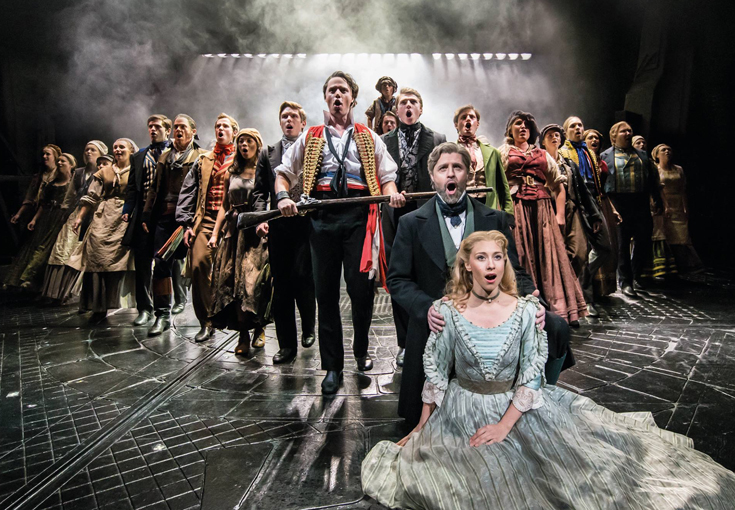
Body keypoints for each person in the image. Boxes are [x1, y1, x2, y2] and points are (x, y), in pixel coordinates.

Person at [363, 230, 735, 510]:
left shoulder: (526, 311)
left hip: (516, 409)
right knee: (459, 481)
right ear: (467, 265)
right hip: (461, 410)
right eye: (482, 258)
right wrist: (421, 427)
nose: (491, 265)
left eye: (497, 258)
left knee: (560, 476)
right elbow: (437, 376)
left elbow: (530, 377)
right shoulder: (447, 311)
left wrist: (503, 426)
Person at [387, 142, 573, 429]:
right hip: (438, 315)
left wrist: (533, 299)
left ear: (468, 174)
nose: (451, 173)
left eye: (458, 167)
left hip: (489, 310)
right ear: (433, 177)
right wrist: (426, 308)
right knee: (421, 421)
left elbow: (514, 269)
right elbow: (398, 279)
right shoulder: (411, 223)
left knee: (556, 326)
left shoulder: (493, 218)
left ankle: (534, 399)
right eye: (443, 168)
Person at [274, 71, 404, 394]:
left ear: (352, 99)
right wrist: (283, 197)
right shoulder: (311, 136)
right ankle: (332, 366)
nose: (336, 95)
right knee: (326, 293)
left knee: (361, 291)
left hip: (359, 217)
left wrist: (391, 194)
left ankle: (361, 350)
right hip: (321, 219)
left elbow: (387, 175)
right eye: (331, 90)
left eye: (342, 90)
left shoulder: (367, 135)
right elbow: (284, 173)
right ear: (326, 97)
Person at [498, 111, 587, 323]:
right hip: (517, 207)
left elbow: (557, 185)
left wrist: (560, 215)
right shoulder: (502, 152)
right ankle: (524, 309)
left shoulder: (542, 154)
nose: (522, 127)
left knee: (549, 255)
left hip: (542, 209)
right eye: (518, 123)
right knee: (520, 253)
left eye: (526, 124)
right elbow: (497, 185)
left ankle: (559, 309)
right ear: (510, 129)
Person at [382, 87, 446, 366]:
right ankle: (406, 342)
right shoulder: (383, 141)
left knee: (431, 276)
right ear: (396, 110)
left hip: (427, 214)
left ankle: (435, 338)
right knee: (400, 278)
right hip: (396, 216)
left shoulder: (438, 139)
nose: (408, 106)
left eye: (413, 102)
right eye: (403, 102)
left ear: (420, 108)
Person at [252, 101, 316, 364]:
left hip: (308, 223)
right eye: (284, 116)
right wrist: (260, 219)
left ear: (303, 122)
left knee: (304, 277)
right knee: (282, 286)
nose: (288, 120)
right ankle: (287, 345)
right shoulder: (268, 153)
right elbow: (259, 191)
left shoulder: (314, 149)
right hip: (279, 224)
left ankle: (309, 326)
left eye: (293, 116)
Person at [177, 113, 239, 342]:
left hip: (233, 220)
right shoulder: (203, 160)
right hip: (206, 219)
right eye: (217, 126)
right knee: (198, 265)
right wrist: (187, 223)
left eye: (225, 126)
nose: (220, 129)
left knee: (235, 271)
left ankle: (242, 324)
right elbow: (188, 191)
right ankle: (206, 321)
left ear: (234, 131)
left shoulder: (241, 157)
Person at [142, 114, 204, 335]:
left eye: (182, 127)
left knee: (200, 266)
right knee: (160, 263)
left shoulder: (201, 156)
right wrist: (147, 215)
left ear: (193, 131)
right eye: (176, 127)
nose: (178, 130)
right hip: (165, 217)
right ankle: (162, 315)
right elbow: (154, 188)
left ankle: (206, 319)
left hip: (191, 219)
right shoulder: (165, 157)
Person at [210, 128, 270, 356]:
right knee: (234, 283)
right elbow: (224, 206)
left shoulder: (263, 170)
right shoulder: (231, 173)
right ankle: (243, 334)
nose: (244, 145)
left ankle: (259, 328)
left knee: (254, 281)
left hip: (255, 231)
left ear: (258, 144)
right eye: (241, 141)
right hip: (234, 231)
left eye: (249, 141)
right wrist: (215, 233)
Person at [72, 142, 137, 322]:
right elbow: (91, 197)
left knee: (126, 259)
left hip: (126, 216)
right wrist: (80, 217)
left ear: (131, 150)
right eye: (115, 147)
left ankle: (127, 302)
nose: (117, 150)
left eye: (122, 147)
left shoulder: (136, 170)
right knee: (97, 258)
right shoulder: (103, 172)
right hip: (104, 216)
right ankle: (98, 306)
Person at [600, 122, 663, 297]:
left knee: (643, 239)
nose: (628, 133)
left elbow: (652, 179)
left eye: (630, 130)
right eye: (624, 131)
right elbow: (601, 182)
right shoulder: (605, 156)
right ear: (614, 135)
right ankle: (626, 281)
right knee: (622, 243)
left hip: (640, 201)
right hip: (618, 202)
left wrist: (657, 199)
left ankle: (636, 276)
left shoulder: (642, 155)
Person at [557, 117, 612, 318]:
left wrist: (596, 210)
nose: (578, 128)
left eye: (580, 125)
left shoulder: (588, 152)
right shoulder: (563, 153)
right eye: (573, 126)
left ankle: (582, 282)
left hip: (593, 202)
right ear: (566, 132)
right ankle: (585, 299)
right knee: (580, 251)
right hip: (575, 203)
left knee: (604, 247)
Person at [42, 141, 107, 304]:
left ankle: (76, 293)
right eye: (86, 150)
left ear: (100, 153)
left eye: (92, 150)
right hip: (78, 213)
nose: (88, 152)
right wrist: (65, 211)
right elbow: (70, 195)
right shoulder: (79, 173)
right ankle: (57, 292)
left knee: (86, 252)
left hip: (96, 213)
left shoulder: (105, 171)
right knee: (63, 248)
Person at [123, 114, 172, 326]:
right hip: (142, 216)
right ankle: (144, 308)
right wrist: (128, 210)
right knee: (142, 264)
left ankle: (164, 310)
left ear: (167, 130)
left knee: (163, 264)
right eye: (150, 126)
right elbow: (132, 188)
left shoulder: (173, 152)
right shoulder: (139, 156)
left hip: (165, 216)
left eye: (157, 127)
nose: (152, 130)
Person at [3, 144, 62, 290]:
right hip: (36, 214)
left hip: (52, 214)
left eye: (48, 154)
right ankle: (16, 280)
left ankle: (37, 282)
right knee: (28, 247)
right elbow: (30, 198)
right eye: (43, 154)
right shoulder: (39, 177)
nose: (44, 157)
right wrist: (19, 214)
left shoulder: (59, 175)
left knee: (45, 248)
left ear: (55, 156)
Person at [14, 153, 75, 292]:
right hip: (48, 217)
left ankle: (37, 280)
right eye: (58, 161)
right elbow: (43, 204)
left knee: (50, 249)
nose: (59, 163)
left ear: (71, 164)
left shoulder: (74, 182)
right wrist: (34, 219)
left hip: (63, 218)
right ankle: (26, 279)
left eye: (63, 161)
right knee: (37, 246)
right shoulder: (52, 184)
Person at [651, 144, 703, 273]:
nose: (667, 151)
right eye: (663, 150)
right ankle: (668, 266)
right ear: (657, 155)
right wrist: (662, 205)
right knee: (666, 234)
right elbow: (656, 189)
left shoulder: (679, 169)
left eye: (669, 149)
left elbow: (683, 188)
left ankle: (685, 265)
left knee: (682, 235)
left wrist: (685, 206)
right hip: (663, 202)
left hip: (677, 203)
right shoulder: (655, 169)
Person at [453, 104, 513, 213]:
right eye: (463, 117)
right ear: (456, 125)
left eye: (472, 117)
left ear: (477, 124)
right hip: (461, 207)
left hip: (487, 206)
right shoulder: (450, 152)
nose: (468, 119)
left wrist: (508, 214)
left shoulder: (492, 152)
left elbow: (503, 187)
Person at [584, 128, 621, 297]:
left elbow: (602, 189)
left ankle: (601, 288)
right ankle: (586, 287)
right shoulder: (581, 160)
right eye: (590, 138)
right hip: (587, 203)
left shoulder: (602, 162)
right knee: (591, 246)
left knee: (608, 245)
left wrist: (612, 209)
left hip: (602, 202)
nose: (594, 140)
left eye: (597, 138)